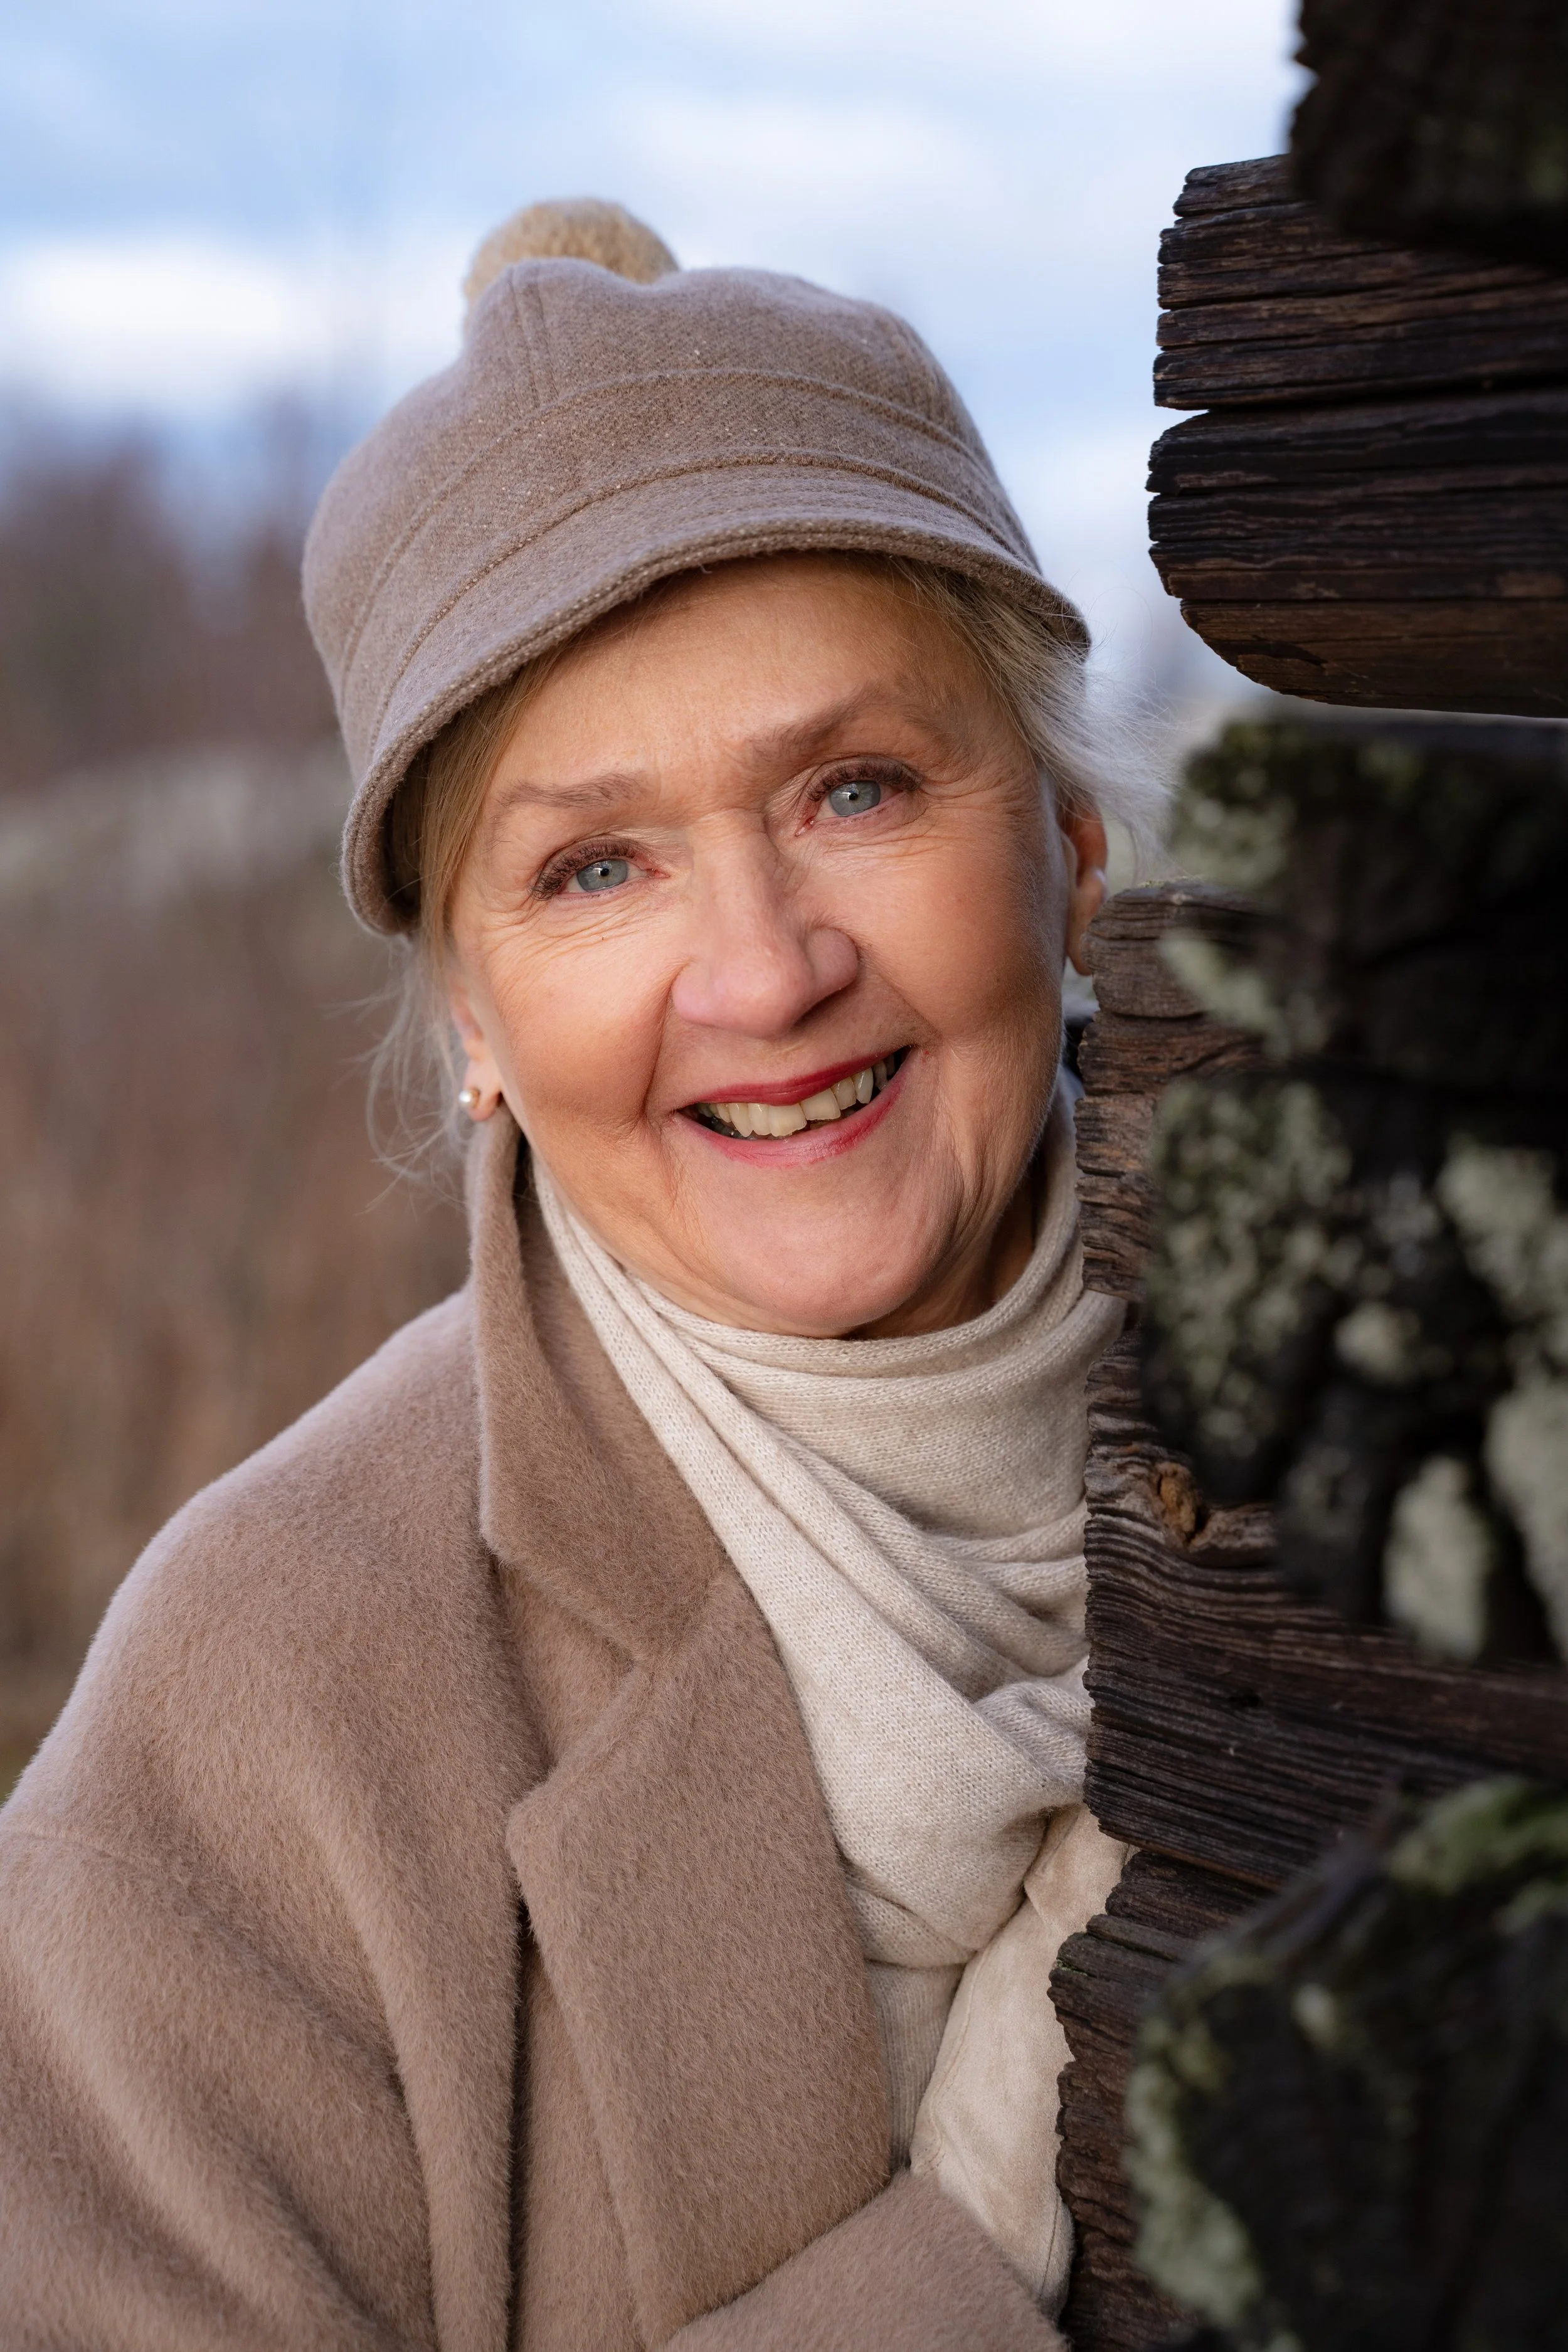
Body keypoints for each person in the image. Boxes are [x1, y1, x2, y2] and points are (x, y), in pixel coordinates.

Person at [0, 200, 1162, 2349]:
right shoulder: (262, 1708)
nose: (763, 968)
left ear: (1068, 857)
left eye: (854, 787)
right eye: (594, 865)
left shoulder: (1415, 1387)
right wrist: (984, 2219)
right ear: (473, 1025)